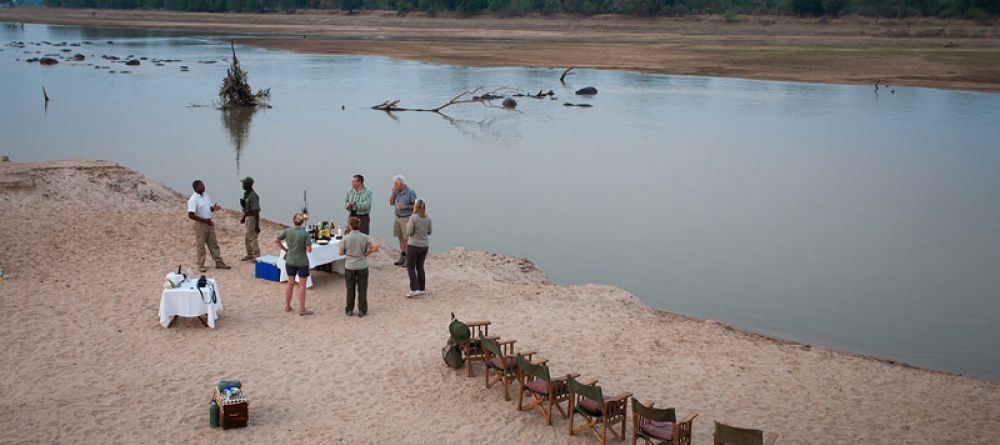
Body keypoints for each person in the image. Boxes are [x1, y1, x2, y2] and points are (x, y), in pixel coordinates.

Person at [187, 180, 230, 272]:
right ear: (197, 187)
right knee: (201, 245)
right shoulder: (193, 199)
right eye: (202, 185)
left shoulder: (206, 196)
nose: (204, 186)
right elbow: (190, 214)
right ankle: (200, 264)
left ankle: (219, 262)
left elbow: (209, 208)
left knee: (213, 244)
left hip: (209, 223)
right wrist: (204, 220)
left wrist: (213, 208)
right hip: (200, 224)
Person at [275, 213, 314, 316]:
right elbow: (309, 250)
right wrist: (308, 247)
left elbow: (277, 240)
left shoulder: (287, 231)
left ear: (293, 221)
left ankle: (287, 306)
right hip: (302, 261)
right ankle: (302, 309)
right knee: (302, 285)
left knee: (290, 283)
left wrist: (285, 249)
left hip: (290, 260)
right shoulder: (305, 234)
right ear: (302, 222)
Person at [340, 216, 378, 317]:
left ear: (350, 226)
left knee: (350, 288)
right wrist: (367, 253)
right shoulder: (364, 237)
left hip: (350, 265)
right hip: (362, 265)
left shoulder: (346, 238)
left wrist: (347, 252)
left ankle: (349, 309)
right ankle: (362, 309)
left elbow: (340, 252)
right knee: (362, 288)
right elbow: (376, 246)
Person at [405, 199, 432, 297]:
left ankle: (414, 288)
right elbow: (429, 232)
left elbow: (409, 232)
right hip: (424, 246)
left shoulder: (413, 218)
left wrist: (408, 225)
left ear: (415, 207)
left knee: (411, 267)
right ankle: (422, 288)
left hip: (414, 245)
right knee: (420, 266)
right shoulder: (428, 218)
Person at [389, 175, 417, 267]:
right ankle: (402, 257)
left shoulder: (410, 192)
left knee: (406, 239)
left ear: (401, 184)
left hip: (406, 218)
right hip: (397, 217)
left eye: (396, 184)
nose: (394, 186)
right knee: (400, 238)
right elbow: (391, 203)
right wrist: (393, 193)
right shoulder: (396, 192)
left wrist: (405, 207)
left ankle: (408, 259)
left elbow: (416, 206)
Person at [239, 176, 261, 261]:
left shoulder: (253, 196)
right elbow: (247, 208)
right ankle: (250, 254)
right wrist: (244, 217)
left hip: (252, 218)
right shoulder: (246, 194)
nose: (243, 185)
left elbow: (256, 212)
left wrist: (257, 225)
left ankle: (256, 256)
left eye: (244, 184)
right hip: (248, 217)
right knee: (247, 237)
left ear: (249, 185)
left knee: (252, 237)